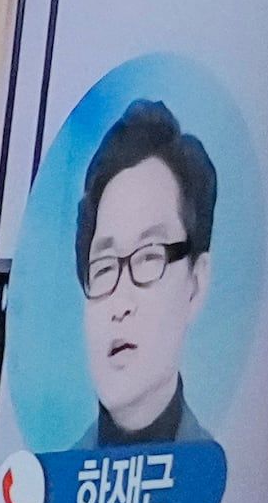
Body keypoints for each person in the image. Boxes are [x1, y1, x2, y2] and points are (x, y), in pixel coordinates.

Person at [77, 99, 217, 449]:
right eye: (105, 267)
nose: (120, 303)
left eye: (147, 259)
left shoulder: (214, 481)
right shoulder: (54, 485)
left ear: (195, 286)